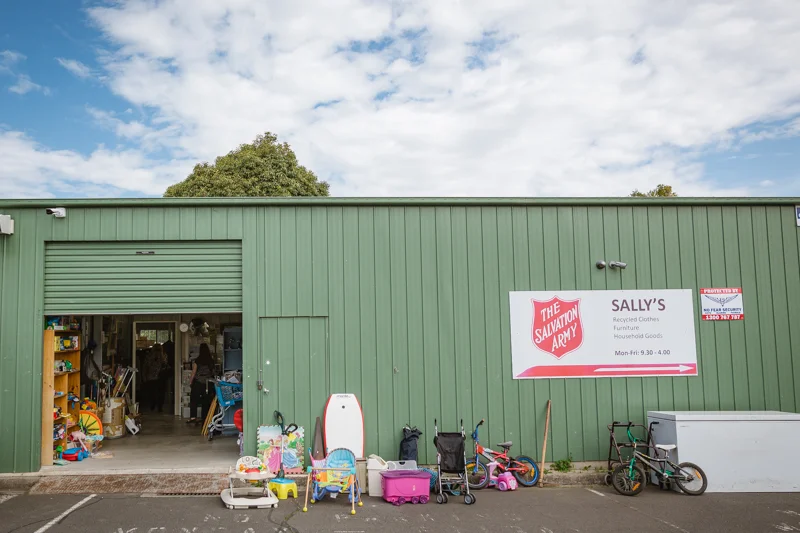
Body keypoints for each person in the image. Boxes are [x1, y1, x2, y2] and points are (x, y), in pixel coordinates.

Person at [187, 343, 215, 424]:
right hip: (208, 383)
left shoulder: (197, 360)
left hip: (198, 382)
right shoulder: (211, 361)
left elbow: (193, 372)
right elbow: (213, 372)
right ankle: (205, 417)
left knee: (194, 399)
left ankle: (193, 417)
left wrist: (190, 382)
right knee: (205, 401)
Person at [142, 344, 167, 412]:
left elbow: (145, 366)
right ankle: (159, 406)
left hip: (151, 376)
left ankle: (153, 404)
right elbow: (165, 365)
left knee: (152, 392)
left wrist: (144, 376)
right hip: (160, 376)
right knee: (160, 392)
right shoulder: (163, 355)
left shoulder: (149, 356)